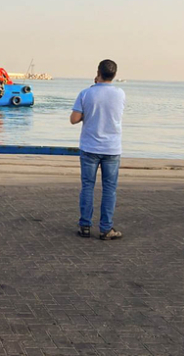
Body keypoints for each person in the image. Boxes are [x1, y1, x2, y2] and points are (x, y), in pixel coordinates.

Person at [70, 59, 125, 240]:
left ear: (98, 72)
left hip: (89, 147)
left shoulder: (86, 94)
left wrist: (88, 112)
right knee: (109, 189)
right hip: (112, 148)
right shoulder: (120, 94)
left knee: (87, 186)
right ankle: (106, 228)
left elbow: (74, 119)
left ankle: (85, 225)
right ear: (114, 75)